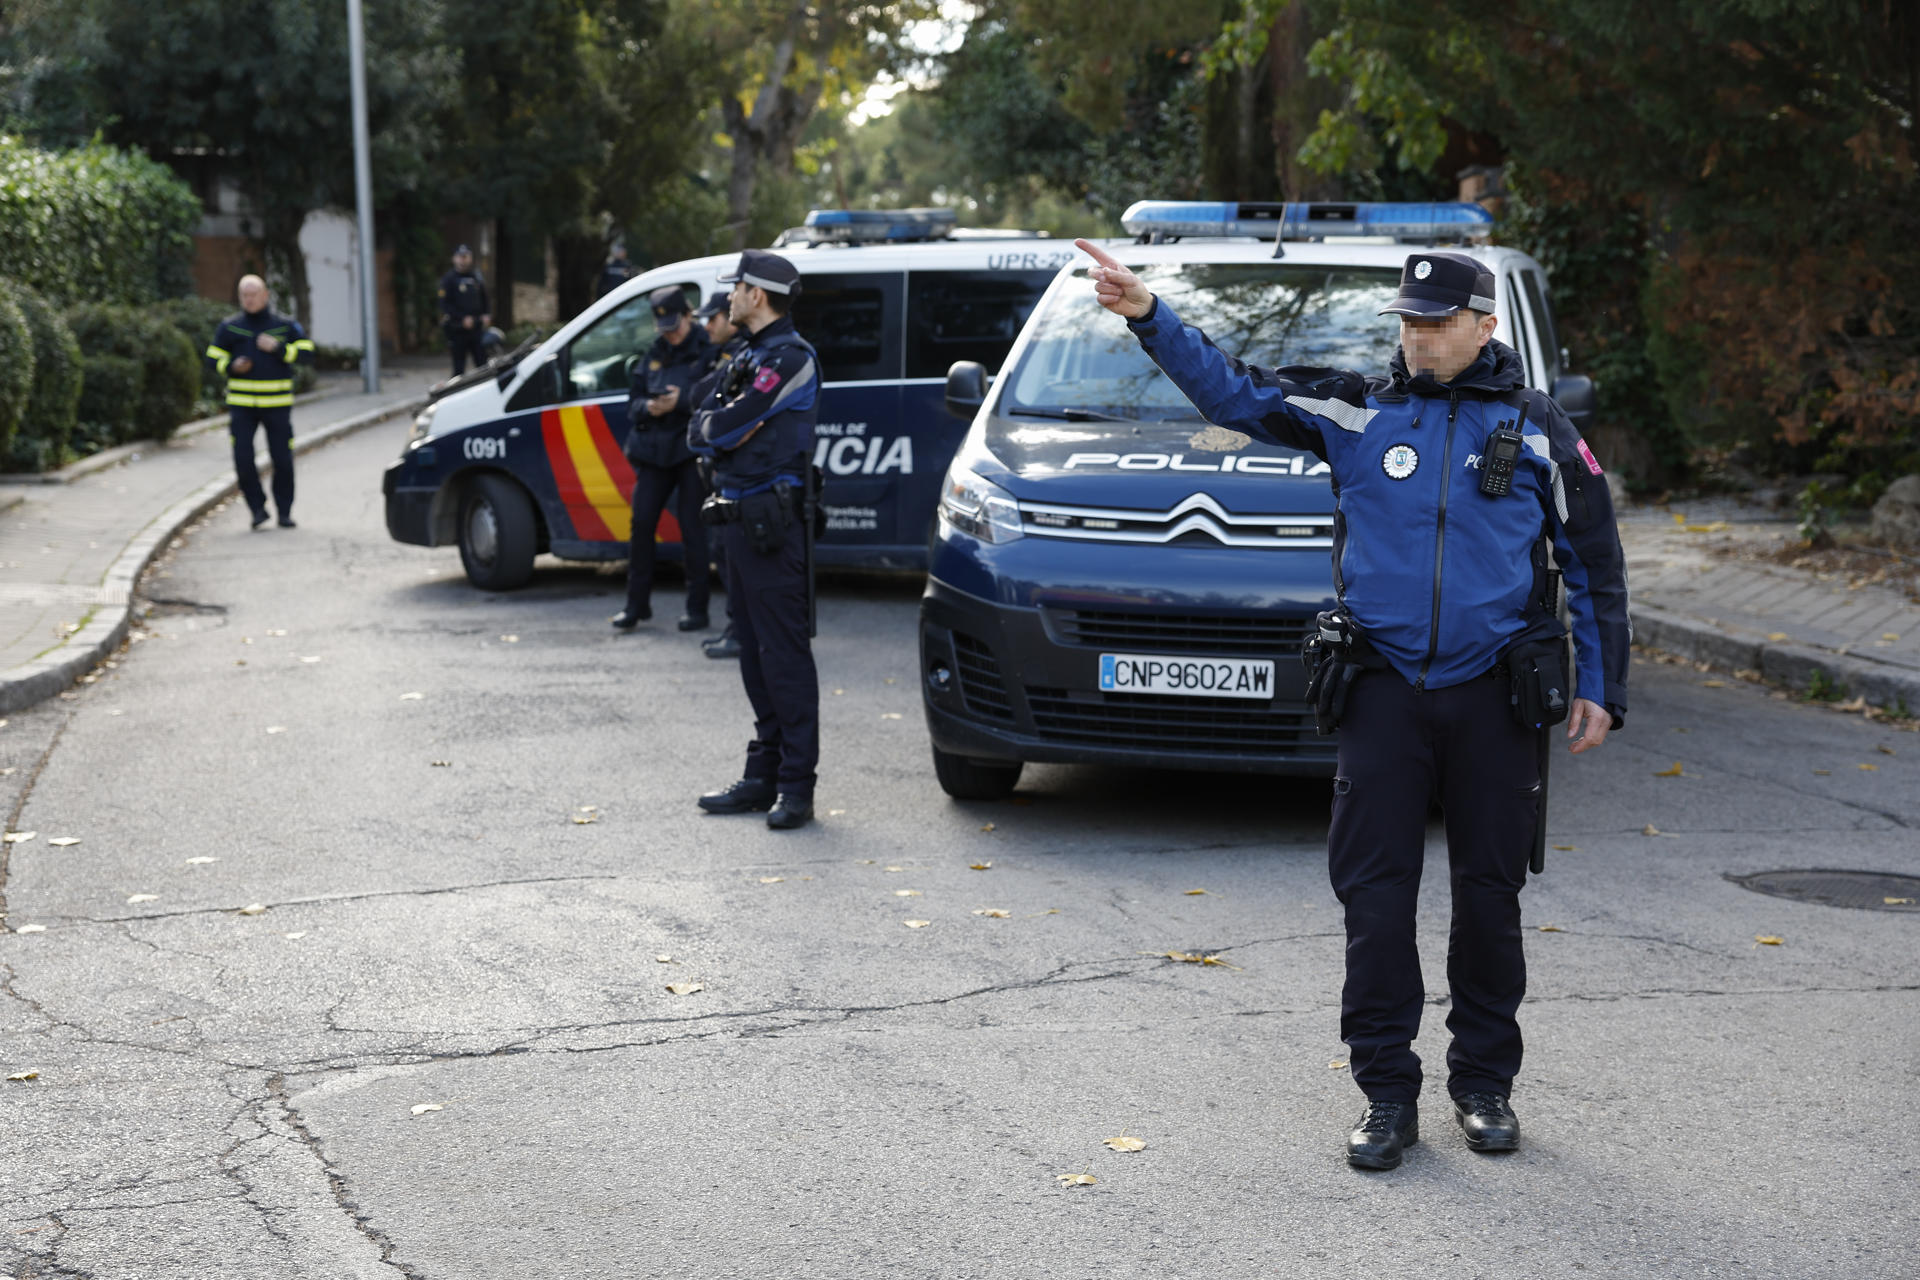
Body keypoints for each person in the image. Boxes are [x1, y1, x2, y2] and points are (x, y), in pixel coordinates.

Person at [1076, 238, 1630, 1170]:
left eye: (1437, 323)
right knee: (1375, 901)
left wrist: (1601, 687)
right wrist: (1148, 316)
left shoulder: (1538, 427)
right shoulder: (1356, 408)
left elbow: (1595, 563)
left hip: (1494, 694)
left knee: (1490, 898)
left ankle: (1484, 1085)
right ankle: (1385, 1093)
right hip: (1383, 690)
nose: (1417, 339)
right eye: (1407, 323)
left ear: (1485, 327)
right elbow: (1235, 392)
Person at [690, 251, 821, 830]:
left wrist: (722, 429)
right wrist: (720, 429)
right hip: (738, 520)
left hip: (774, 526)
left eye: (737, 289)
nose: (730, 298)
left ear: (758, 296)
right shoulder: (748, 353)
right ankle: (763, 776)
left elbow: (729, 423)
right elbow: (701, 422)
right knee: (751, 653)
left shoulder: (790, 358)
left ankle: (796, 787)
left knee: (784, 658)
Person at [612, 287, 713, 632]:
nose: (671, 334)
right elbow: (633, 402)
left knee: (692, 528)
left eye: (676, 326)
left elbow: (716, 397)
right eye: (664, 328)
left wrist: (681, 402)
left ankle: (697, 609)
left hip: (688, 450)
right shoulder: (654, 353)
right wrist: (649, 407)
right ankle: (635, 606)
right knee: (641, 526)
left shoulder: (708, 347)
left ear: (688, 314)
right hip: (653, 450)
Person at [204, 275, 315, 530]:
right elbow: (212, 359)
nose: (249, 299)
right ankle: (257, 509)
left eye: (254, 294)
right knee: (243, 459)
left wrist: (279, 348)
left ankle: (284, 512)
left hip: (277, 405)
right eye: (245, 295)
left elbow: (307, 354)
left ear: (265, 295)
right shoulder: (230, 327)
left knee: (283, 460)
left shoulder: (284, 326)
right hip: (242, 406)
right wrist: (230, 367)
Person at [689, 291, 747, 660]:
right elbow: (697, 390)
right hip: (719, 470)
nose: (707, 326)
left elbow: (699, 394)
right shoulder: (719, 352)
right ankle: (735, 627)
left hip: (735, 472)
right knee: (722, 552)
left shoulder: (742, 353)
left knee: (731, 556)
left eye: (713, 319)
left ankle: (740, 631)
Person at [438, 245, 491, 376]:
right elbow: (444, 304)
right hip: (458, 329)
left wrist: (486, 314)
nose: (463, 260)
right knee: (459, 367)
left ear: (470, 258)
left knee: (483, 365)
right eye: (460, 257)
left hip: (476, 328)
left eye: (466, 257)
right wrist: (462, 318)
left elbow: (485, 298)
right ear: (454, 259)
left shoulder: (476, 277)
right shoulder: (448, 279)